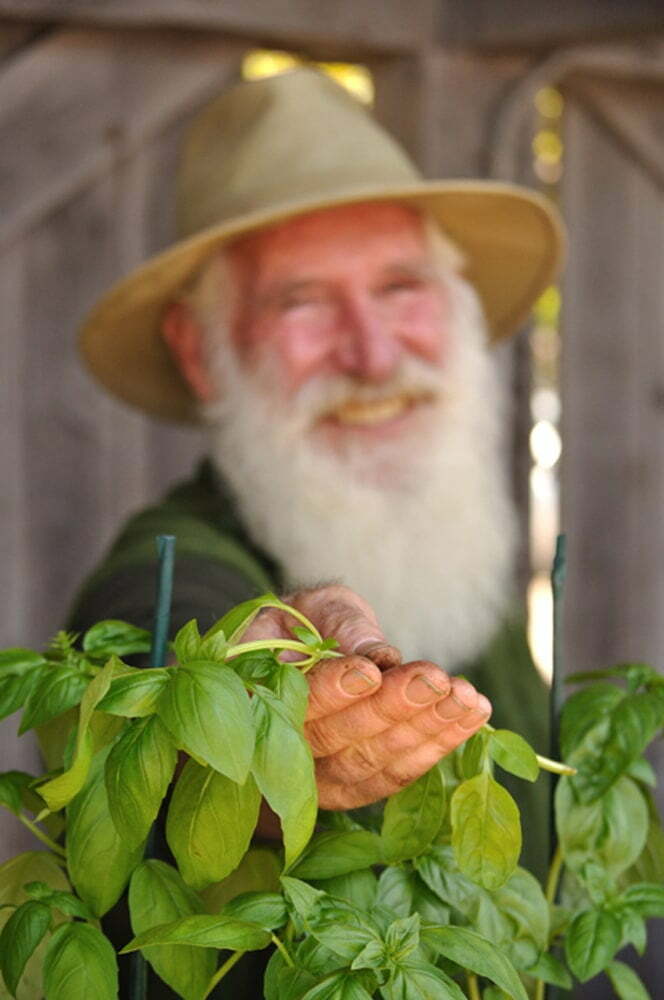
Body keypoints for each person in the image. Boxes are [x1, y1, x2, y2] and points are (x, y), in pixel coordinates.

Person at [70, 67, 564, 995]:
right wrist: (235, 714)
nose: (373, 356)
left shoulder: (461, 560)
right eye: (302, 303)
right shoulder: (173, 559)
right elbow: (148, 644)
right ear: (196, 350)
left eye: (400, 286)